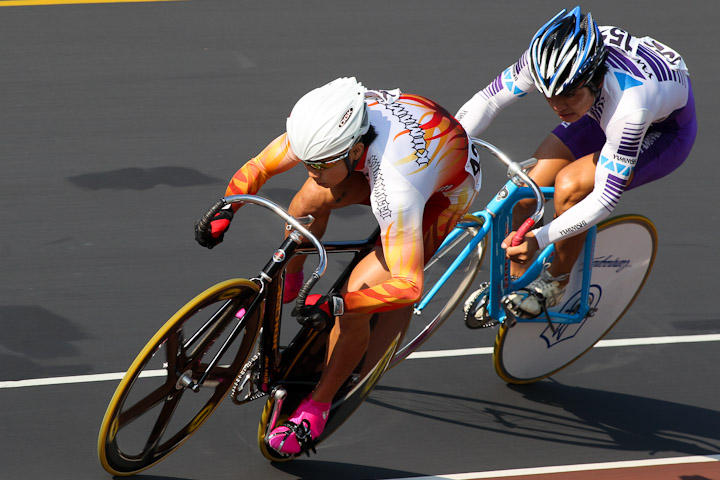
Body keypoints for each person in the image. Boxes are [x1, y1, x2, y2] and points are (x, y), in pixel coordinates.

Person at [195, 77, 482, 454]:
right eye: (307, 159)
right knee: (308, 199)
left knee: (361, 294)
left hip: (440, 193)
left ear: (353, 150)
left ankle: (322, 402)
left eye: (319, 163)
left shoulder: (397, 190)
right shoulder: (324, 129)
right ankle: (294, 279)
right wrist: (227, 207)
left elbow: (409, 284)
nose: (308, 166)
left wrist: (341, 305)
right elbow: (260, 166)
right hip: (398, 151)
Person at [458, 6, 696, 321]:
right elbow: (488, 100)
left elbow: (604, 198)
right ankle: (515, 281)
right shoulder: (547, 59)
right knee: (524, 189)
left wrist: (541, 238)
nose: (557, 105)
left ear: (595, 79)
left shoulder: (630, 106)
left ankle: (555, 281)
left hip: (663, 132)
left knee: (571, 186)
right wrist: (451, 143)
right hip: (601, 106)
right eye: (548, 95)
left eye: (568, 95)